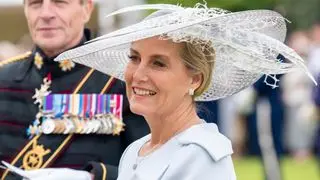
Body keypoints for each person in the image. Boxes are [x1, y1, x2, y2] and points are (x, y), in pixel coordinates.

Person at [39, 3, 318, 179]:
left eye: (158, 63)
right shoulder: (136, 150)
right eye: (135, 57)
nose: (138, 74)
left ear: (194, 79)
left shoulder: (202, 156)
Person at [0, 0, 149, 180]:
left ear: (86, 9)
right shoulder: (3, 79)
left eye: (59, 2)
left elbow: (151, 168)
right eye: (35, 3)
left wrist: (94, 177)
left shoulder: (122, 80)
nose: (46, 13)